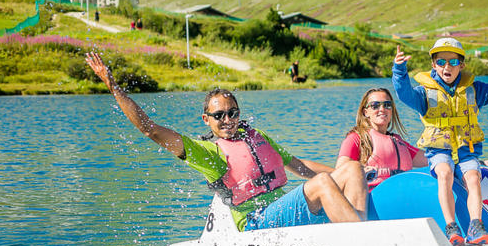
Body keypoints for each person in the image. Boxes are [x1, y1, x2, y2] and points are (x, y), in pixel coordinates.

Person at [84, 52, 368, 232]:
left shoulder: (256, 137)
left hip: (282, 209)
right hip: (258, 222)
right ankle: (361, 242)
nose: (227, 119)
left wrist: (342, 173)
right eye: (218, 115)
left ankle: (362, 231)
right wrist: (113, 86)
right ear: (206, 119)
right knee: (322, 184)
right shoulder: (208, 153)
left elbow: (298, 165)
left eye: (232, 113)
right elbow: (151, 130)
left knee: (352, 168)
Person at [393, 37, 488, 246]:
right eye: (441, 62)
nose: (446, 67)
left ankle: (476, 226)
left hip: (466, 149)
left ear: (462, 65)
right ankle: (451, 226)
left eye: (453, 62)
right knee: (445, 173)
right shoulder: (424, 92)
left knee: (474, 178)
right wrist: (399, 71)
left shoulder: (473, 89)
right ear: (433, 64)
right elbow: (403, 94)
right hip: (439, 149)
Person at [336, 87, 428, 188]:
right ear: (365, 112)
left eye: (387, 105)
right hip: (372, 196)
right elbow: (340, 170)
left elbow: (429, 160)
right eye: (375, 106)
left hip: (402, 193)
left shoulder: (399, 143)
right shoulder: (355, 138)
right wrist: (361, 170)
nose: (382, 109)